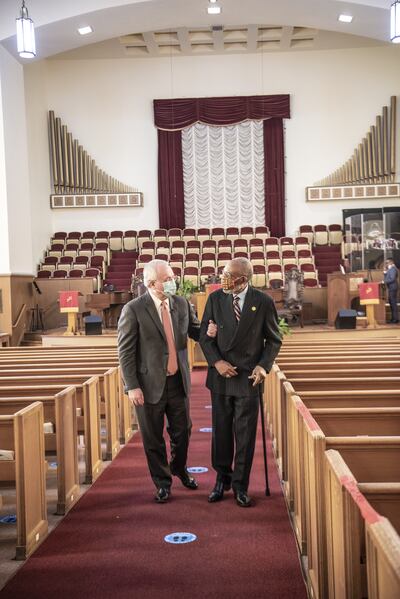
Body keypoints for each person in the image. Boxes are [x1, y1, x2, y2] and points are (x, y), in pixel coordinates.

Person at [199, 257, 282, 507]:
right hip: (221, 377)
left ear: (243, 280)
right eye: (223, 273)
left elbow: (274, 340)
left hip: (248, 378)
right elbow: (205, 336)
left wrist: (263, 366)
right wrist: (216, 362)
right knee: (221, 433)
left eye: (228, 275)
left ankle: (240, 486)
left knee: (245, 437)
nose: (223, 278)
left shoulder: (263, 301)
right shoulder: (215, 299)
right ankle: (221, 479)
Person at [118, 259, 200, 503]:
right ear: (152, 283)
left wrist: (210, 331)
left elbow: (196, 330)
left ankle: (179, 468)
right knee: (153, 438)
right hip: (147, 384)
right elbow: (125, 352)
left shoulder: (182, 304)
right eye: (168, 279)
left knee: (183, 432)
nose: (174, 281)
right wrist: (131, 385)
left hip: (177, 382)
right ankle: (163, 483)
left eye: (173, 276)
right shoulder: (133, 309)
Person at [384, 258, 399, 323]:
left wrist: (383, 281)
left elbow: (392, 279)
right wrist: (385, 273)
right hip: (391, 287)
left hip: (393, 287)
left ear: (391, 262)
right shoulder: (390, 269)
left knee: (393, 303)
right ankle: (393, 318)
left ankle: (395, 319)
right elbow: (388, 278)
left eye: (387, 263)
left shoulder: (392, 269)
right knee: (391, 302)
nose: (386, 264)